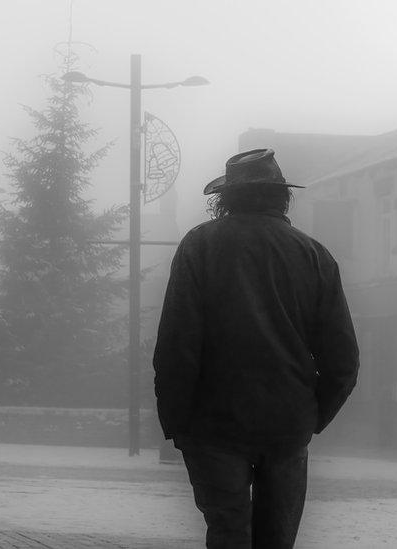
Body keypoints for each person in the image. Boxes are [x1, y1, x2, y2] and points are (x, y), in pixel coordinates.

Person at [153, 148, 360, 548]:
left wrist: (176, 419)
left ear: (226, 199)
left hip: (213, 421)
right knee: (276, 539)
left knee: (228, 530)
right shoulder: (314, 255)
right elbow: (343, 360)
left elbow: (177, 344)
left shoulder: (200, 246)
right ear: (282, 197)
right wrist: (312, 416)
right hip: (287, 422)